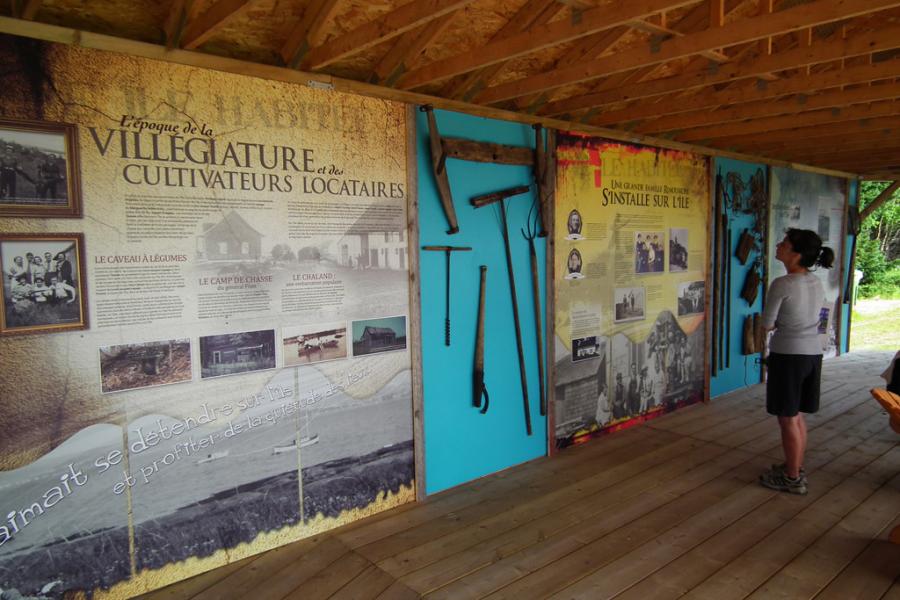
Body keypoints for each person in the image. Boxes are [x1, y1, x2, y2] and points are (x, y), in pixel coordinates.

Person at [759, 228, 834, 495]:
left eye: (784, 243)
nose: (779, 245)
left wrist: (779, 323)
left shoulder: (783, 284)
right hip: (812, 354)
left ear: (797, 254)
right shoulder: (815, 282)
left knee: (787, 418)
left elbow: (767, 324)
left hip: (789, 356)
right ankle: (795, 465)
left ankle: (792, 478)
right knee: (796, 415)